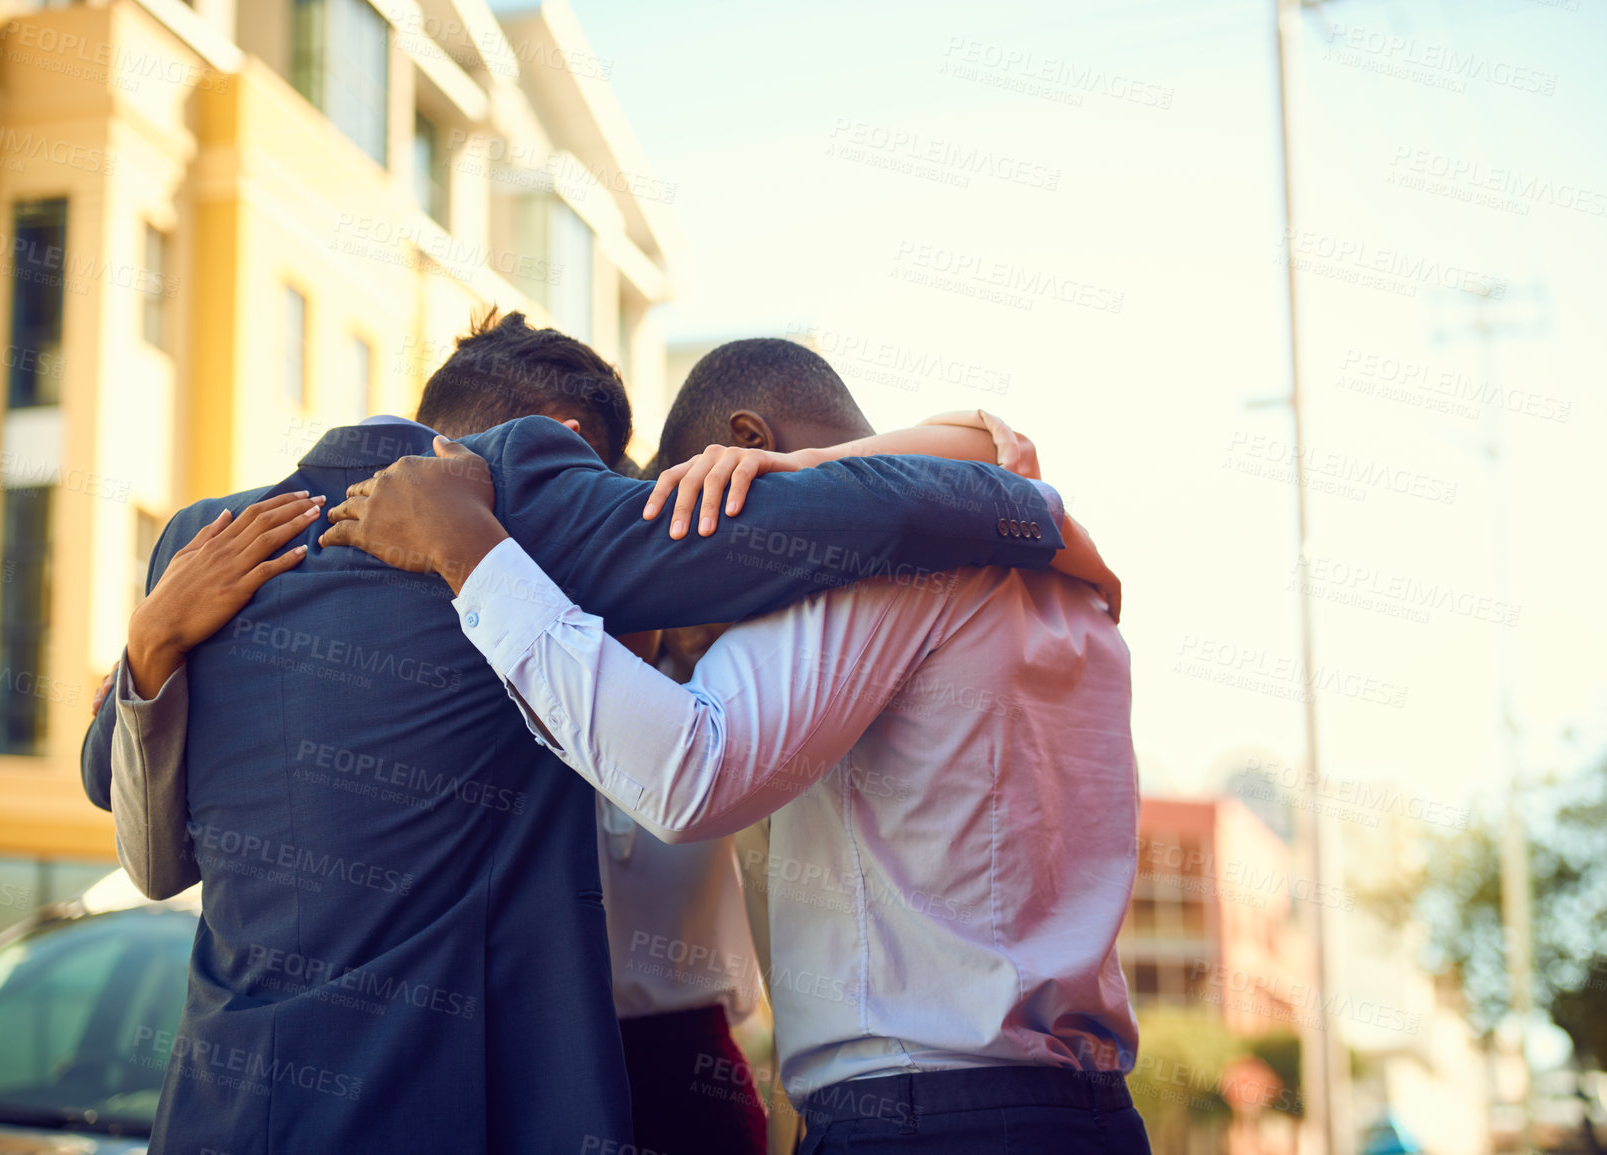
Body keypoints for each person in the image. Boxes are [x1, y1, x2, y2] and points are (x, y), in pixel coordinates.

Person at [78, 315, 1070, 1155]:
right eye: (610, 479)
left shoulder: (199, 542)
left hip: (222, 1110)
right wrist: (1029, 509)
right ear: (561, 442)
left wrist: (148, 642)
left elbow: (122, 804)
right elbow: (848, 522)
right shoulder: (522, 490)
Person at [323, 338, 1148, 1153]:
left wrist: (469, 550)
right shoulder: (1058, 581)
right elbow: (997, 451)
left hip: (924, 1115)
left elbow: (690, 778)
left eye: (697, 522)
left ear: (746, 450)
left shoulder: (871, 563)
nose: (706, 583)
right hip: (1090, 1112)